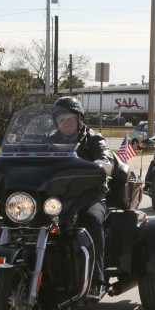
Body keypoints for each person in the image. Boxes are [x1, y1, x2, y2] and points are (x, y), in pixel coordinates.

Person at [48, 96, 115, 298]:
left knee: (92, 220)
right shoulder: (48, 140)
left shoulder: (94, 139)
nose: (65, 122)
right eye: (61, 119)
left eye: (70, 118)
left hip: (90, 197)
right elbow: (29, 154)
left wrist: (102, 163)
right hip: (55, 199)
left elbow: (106, 156)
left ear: (80, 119)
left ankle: (96, 280)